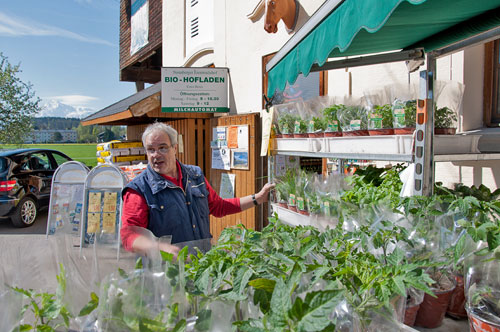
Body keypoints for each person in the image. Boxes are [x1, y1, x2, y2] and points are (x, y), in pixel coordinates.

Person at [120, 122, 275, 258]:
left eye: (162, 148)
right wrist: (157, 247)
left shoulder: (194, 175)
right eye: (151, 150)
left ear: (175, 148)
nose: (156, 155)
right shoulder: (138, 190)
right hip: (167, 275)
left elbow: (218, 206)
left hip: (201, 266)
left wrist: (258, 198)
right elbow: (128, 235)